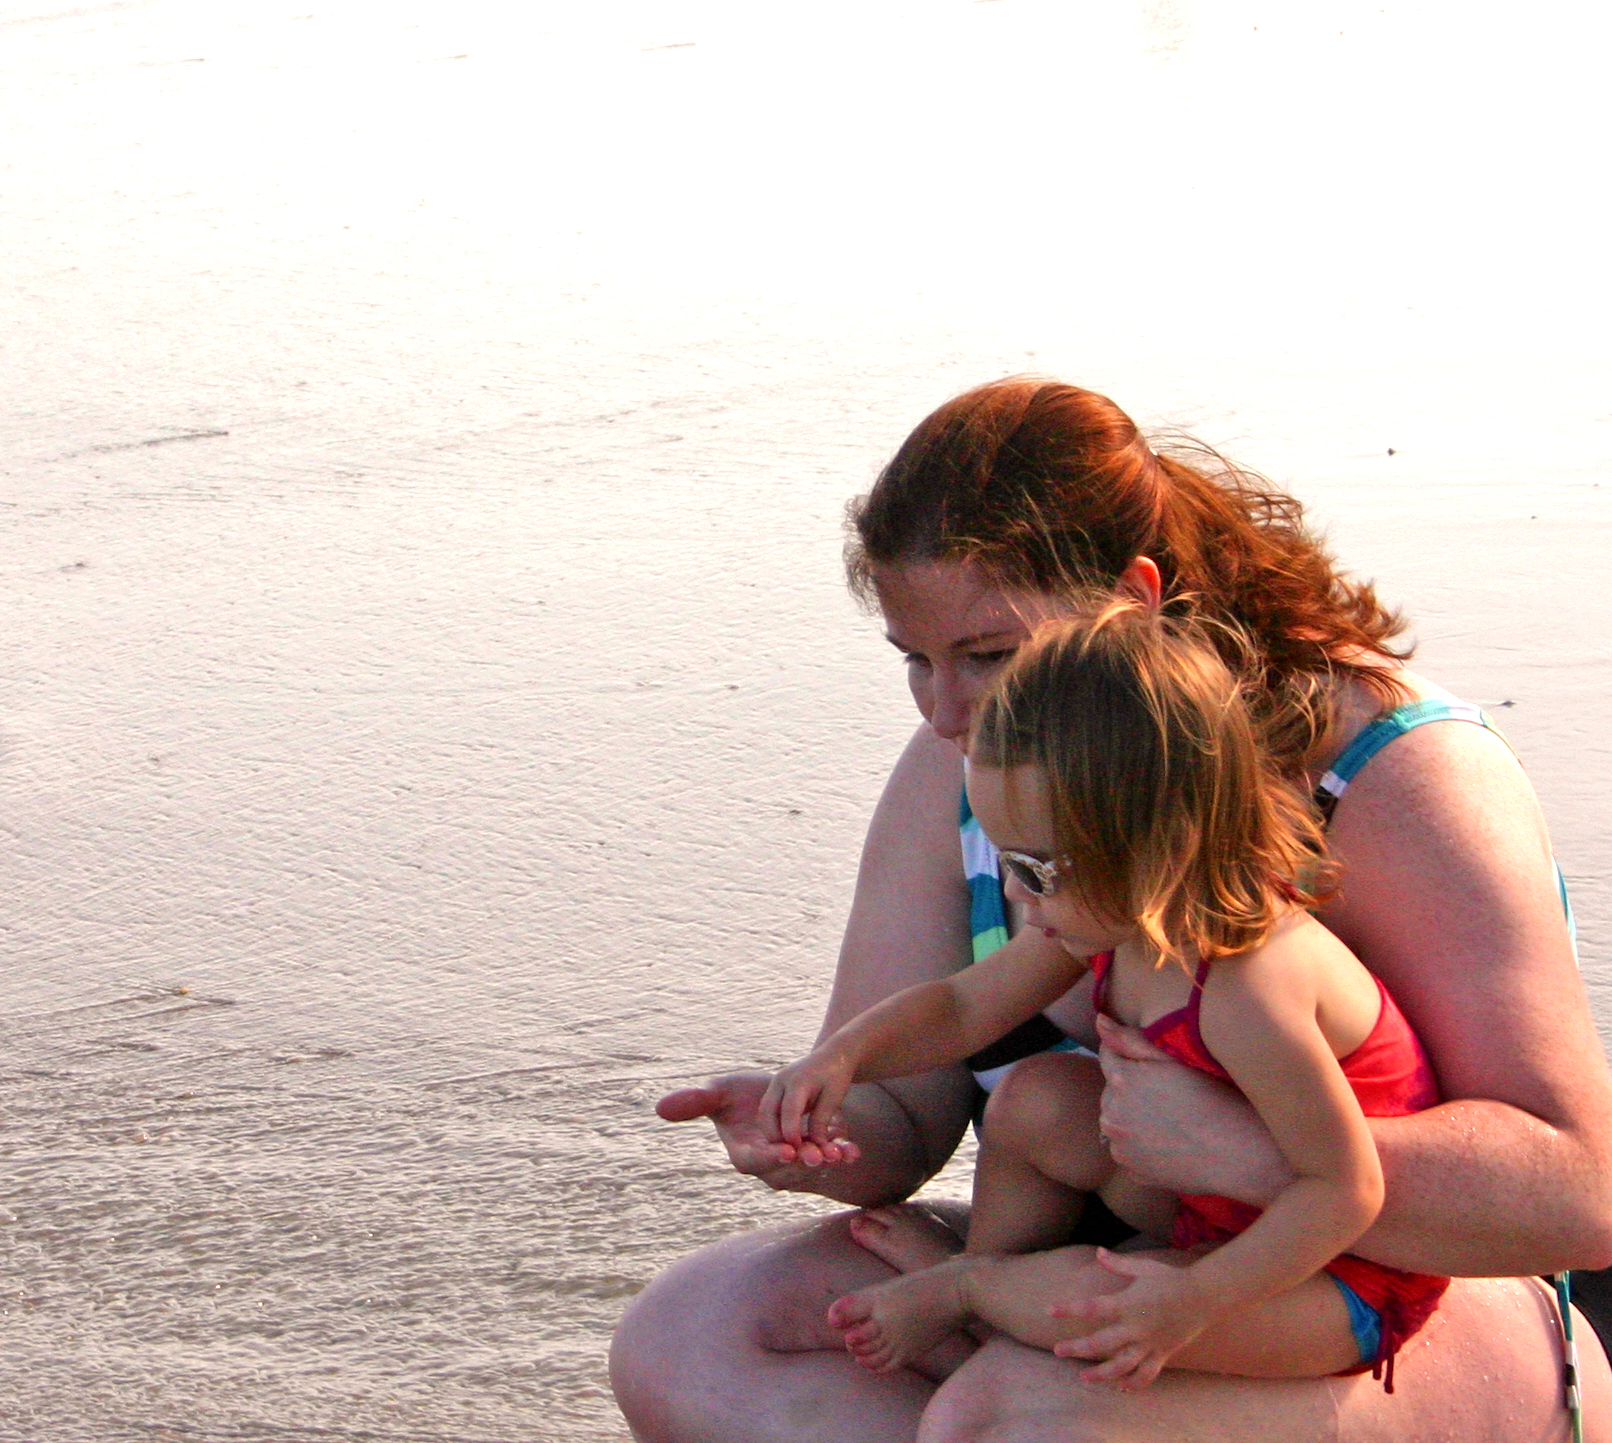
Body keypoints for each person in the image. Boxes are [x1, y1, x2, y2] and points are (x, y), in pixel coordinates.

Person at [610, 378, 1612, 1443]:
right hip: (1135, 1250)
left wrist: (1242, 1149)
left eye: (988, 655)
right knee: (691, 1338)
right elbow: (908, 1108)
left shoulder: (1394, 776)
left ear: (1132, 599)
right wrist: (812, 1118)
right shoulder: (983, 762)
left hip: (1393, 1297)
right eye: (916, 660)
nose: (945, 713)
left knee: (1019, 1414)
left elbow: (1580, 1198)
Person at [739, 606, 1446, 1391]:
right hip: (1205, 1209)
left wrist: (1191, 1300)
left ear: (1160, 845)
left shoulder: (1250, 984)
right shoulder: (1119, 916)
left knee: (1090, 1303)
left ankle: (971, 1292)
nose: (1014, 893)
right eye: (1004, 859)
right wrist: (842, 1058)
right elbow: (960, 1008)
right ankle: (990, 1276)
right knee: (1037, 1097)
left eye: (1036, 868)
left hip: (1343, 1276)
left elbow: (1345, 1191)